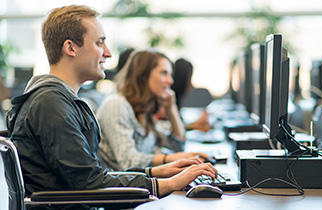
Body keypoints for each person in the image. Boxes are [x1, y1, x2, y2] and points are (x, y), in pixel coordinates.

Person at [5, 5, 217, 209]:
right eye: (99, 43)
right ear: (70, 48)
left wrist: (156, 172)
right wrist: (167, 184)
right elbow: (91, 183)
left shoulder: (58, 100)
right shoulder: (50, 104)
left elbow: (91, 175)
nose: (108, 53)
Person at [96, 50, 211, 170]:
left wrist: (171, 108)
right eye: (164, 73)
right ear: (143, 76)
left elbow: (177, 145)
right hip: (122, 187)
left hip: (141, 184)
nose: (170, 81)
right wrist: (169, 158)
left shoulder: (144, 107)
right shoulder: (116, 104)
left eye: (170, 75)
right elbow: (128, 161)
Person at [171, 58, 212, 132]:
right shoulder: (167, 101)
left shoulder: (175, 101)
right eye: (189, 79)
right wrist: (195, 125)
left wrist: (194, 125)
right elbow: (168, 128)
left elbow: (178, 124)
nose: (190, 85)